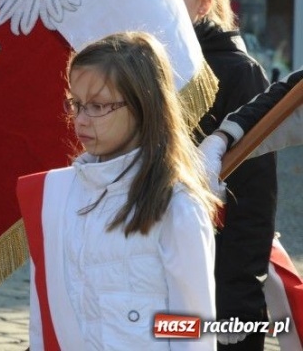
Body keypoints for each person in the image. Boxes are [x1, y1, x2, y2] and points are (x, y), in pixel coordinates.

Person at [18, 31, 221, 350]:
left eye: (97, 106)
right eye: (76, 104)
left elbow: (191, 329)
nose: (80, 120)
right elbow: (45, 316)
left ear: (142, 106)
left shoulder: (177, 206)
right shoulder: (59, 197)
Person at [168, 0, 276, 350]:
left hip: (215, 271)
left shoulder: (240, 72)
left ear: (204, 2)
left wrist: (238, 297)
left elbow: (253, 197)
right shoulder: (140, 65)